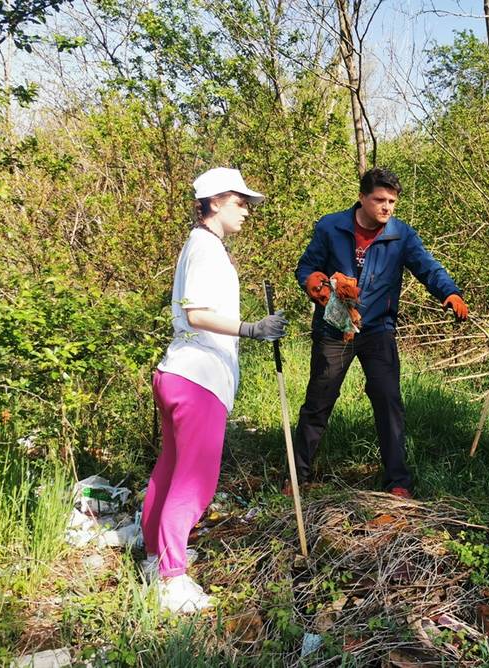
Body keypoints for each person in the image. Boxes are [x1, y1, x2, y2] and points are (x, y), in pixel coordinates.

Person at [142, 168, 288, 614]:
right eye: (241, 202)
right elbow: (199, 313)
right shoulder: (205, 248)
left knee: (171, 469)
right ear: (216, 201)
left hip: (179, 373)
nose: (247, 210)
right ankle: (171, 578)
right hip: (198, 376)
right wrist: (252, 329)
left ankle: (155, 557)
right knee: (196, 481)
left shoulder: (202, 246)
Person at [293, 167, 468, 498]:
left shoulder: (401, 235)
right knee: (319, 401)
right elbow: (306, 266)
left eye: (392, 201)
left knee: (388, 402)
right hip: (334, 328)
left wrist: (450, 292)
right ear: (362, 198)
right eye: (380, 200)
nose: (387, 207)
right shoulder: (331, 226)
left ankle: (397, 482)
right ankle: (297, 475)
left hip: (377, 329)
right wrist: (313, 281)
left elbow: (428, 268)